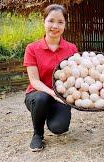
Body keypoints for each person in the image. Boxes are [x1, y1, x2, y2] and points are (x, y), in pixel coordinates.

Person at [24, 4, 78, 152]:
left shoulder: (71, 48)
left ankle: (49, 114)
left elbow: (76, 76)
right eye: (51, 21)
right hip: (37, 95)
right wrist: (52, 93)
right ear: (44, 22)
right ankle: (37, 134)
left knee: (59, 128)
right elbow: (34, 81)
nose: (55, 26)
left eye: (60, 22)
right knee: (42, 98)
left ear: (65, 25)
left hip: (61, 97)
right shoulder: (32, 48)